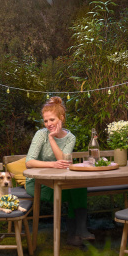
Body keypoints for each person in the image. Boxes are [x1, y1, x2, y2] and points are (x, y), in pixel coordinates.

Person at [25, 96, 94, 246]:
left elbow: (63, 161)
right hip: (38, 183)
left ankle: (77, 232)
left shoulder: (70, 138)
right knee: (74, 192)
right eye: (46, 121)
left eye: (52, 119)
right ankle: (77, 232)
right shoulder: (41, 134)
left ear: (61, 118)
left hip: (59, 180)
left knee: (78, 186)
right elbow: (29, 162)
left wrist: (53, 140)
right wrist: (51, 140)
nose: (48, 124)